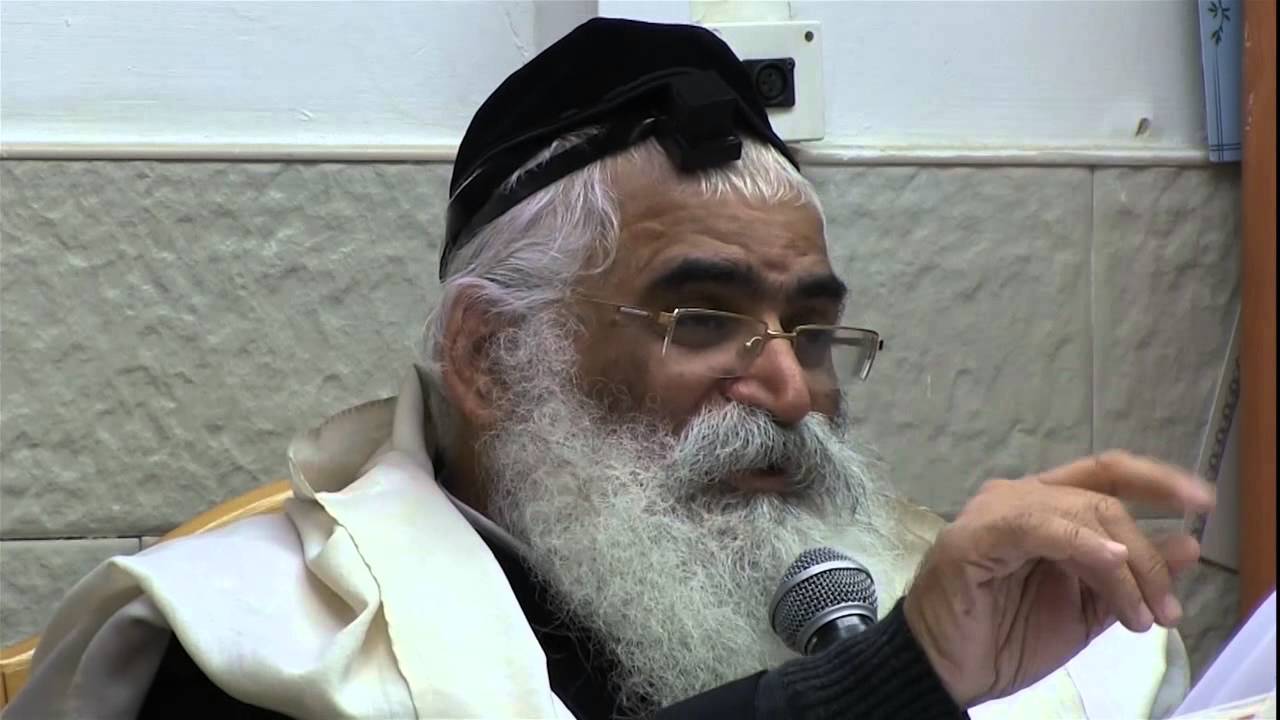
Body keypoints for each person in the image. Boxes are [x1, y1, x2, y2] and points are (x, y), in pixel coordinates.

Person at [7, 18, 1211, 720]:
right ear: (490, 358)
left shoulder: (893, 588)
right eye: (702, 320)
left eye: (810, 333)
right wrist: (896, 683)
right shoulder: (255, 652)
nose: (791, 392)